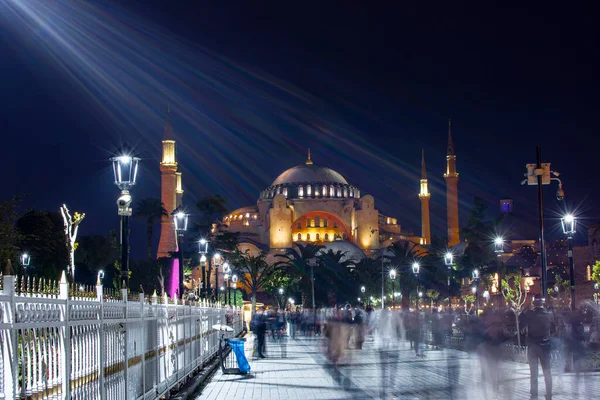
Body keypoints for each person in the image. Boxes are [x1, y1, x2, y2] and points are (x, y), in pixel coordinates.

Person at [519, 297, 555, 400]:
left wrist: (526, 308)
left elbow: (520, 318)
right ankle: (549, 394)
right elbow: (553, 328)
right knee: (547, 371)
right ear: (543, 304)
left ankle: (534, 395)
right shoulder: (549, 314)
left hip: (533, 346)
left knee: (533, 372)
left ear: (534, 303)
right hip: (545, 346)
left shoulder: (530, 314)